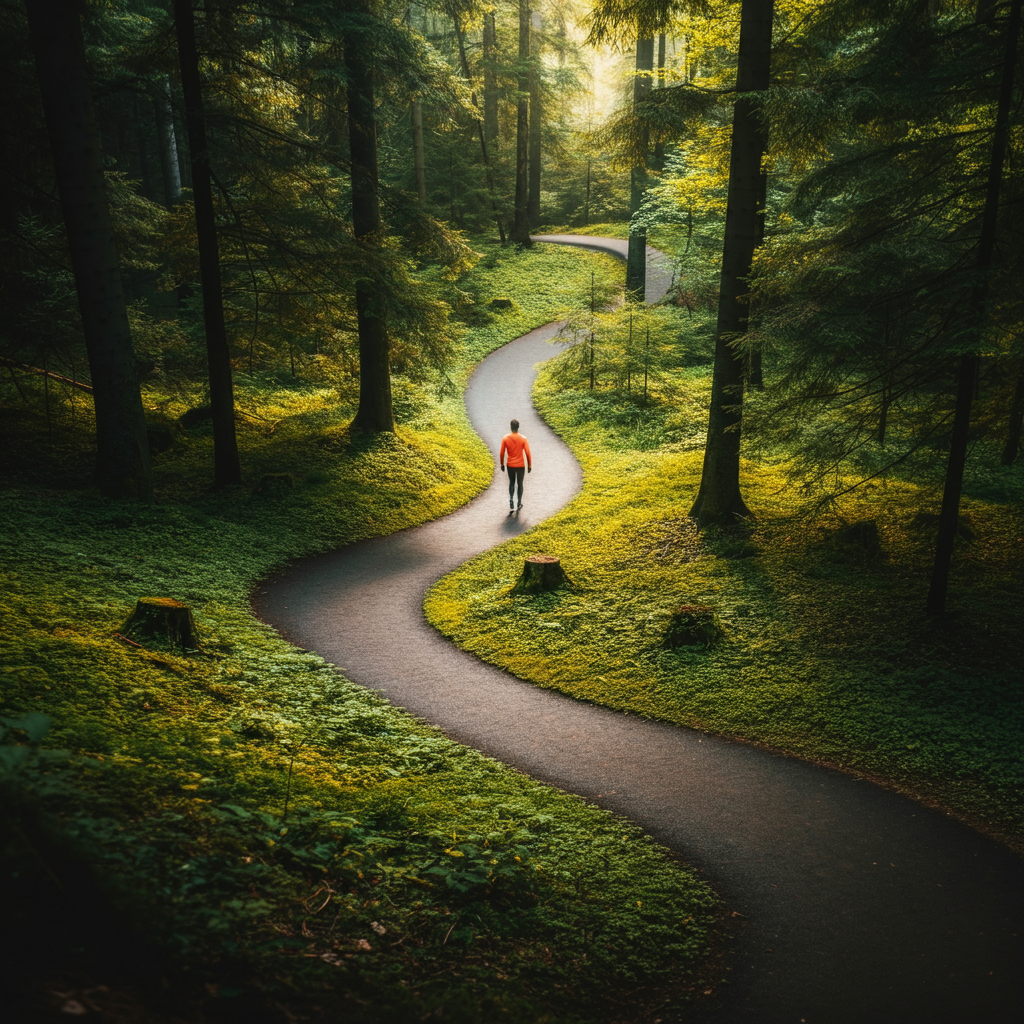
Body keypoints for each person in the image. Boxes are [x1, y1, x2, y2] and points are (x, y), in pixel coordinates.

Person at [499, 418, 532, 511]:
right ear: (518, 427)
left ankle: (511, 499)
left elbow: (502, 453)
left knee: (512, 482)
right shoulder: (523, 439)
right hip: (520, 465)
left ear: (511, 427)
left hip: (510, 465)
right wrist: (529, 465)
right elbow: (528, 453)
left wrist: (502, 464)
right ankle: (519, 502)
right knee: (520, 483)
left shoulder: (505, 438)